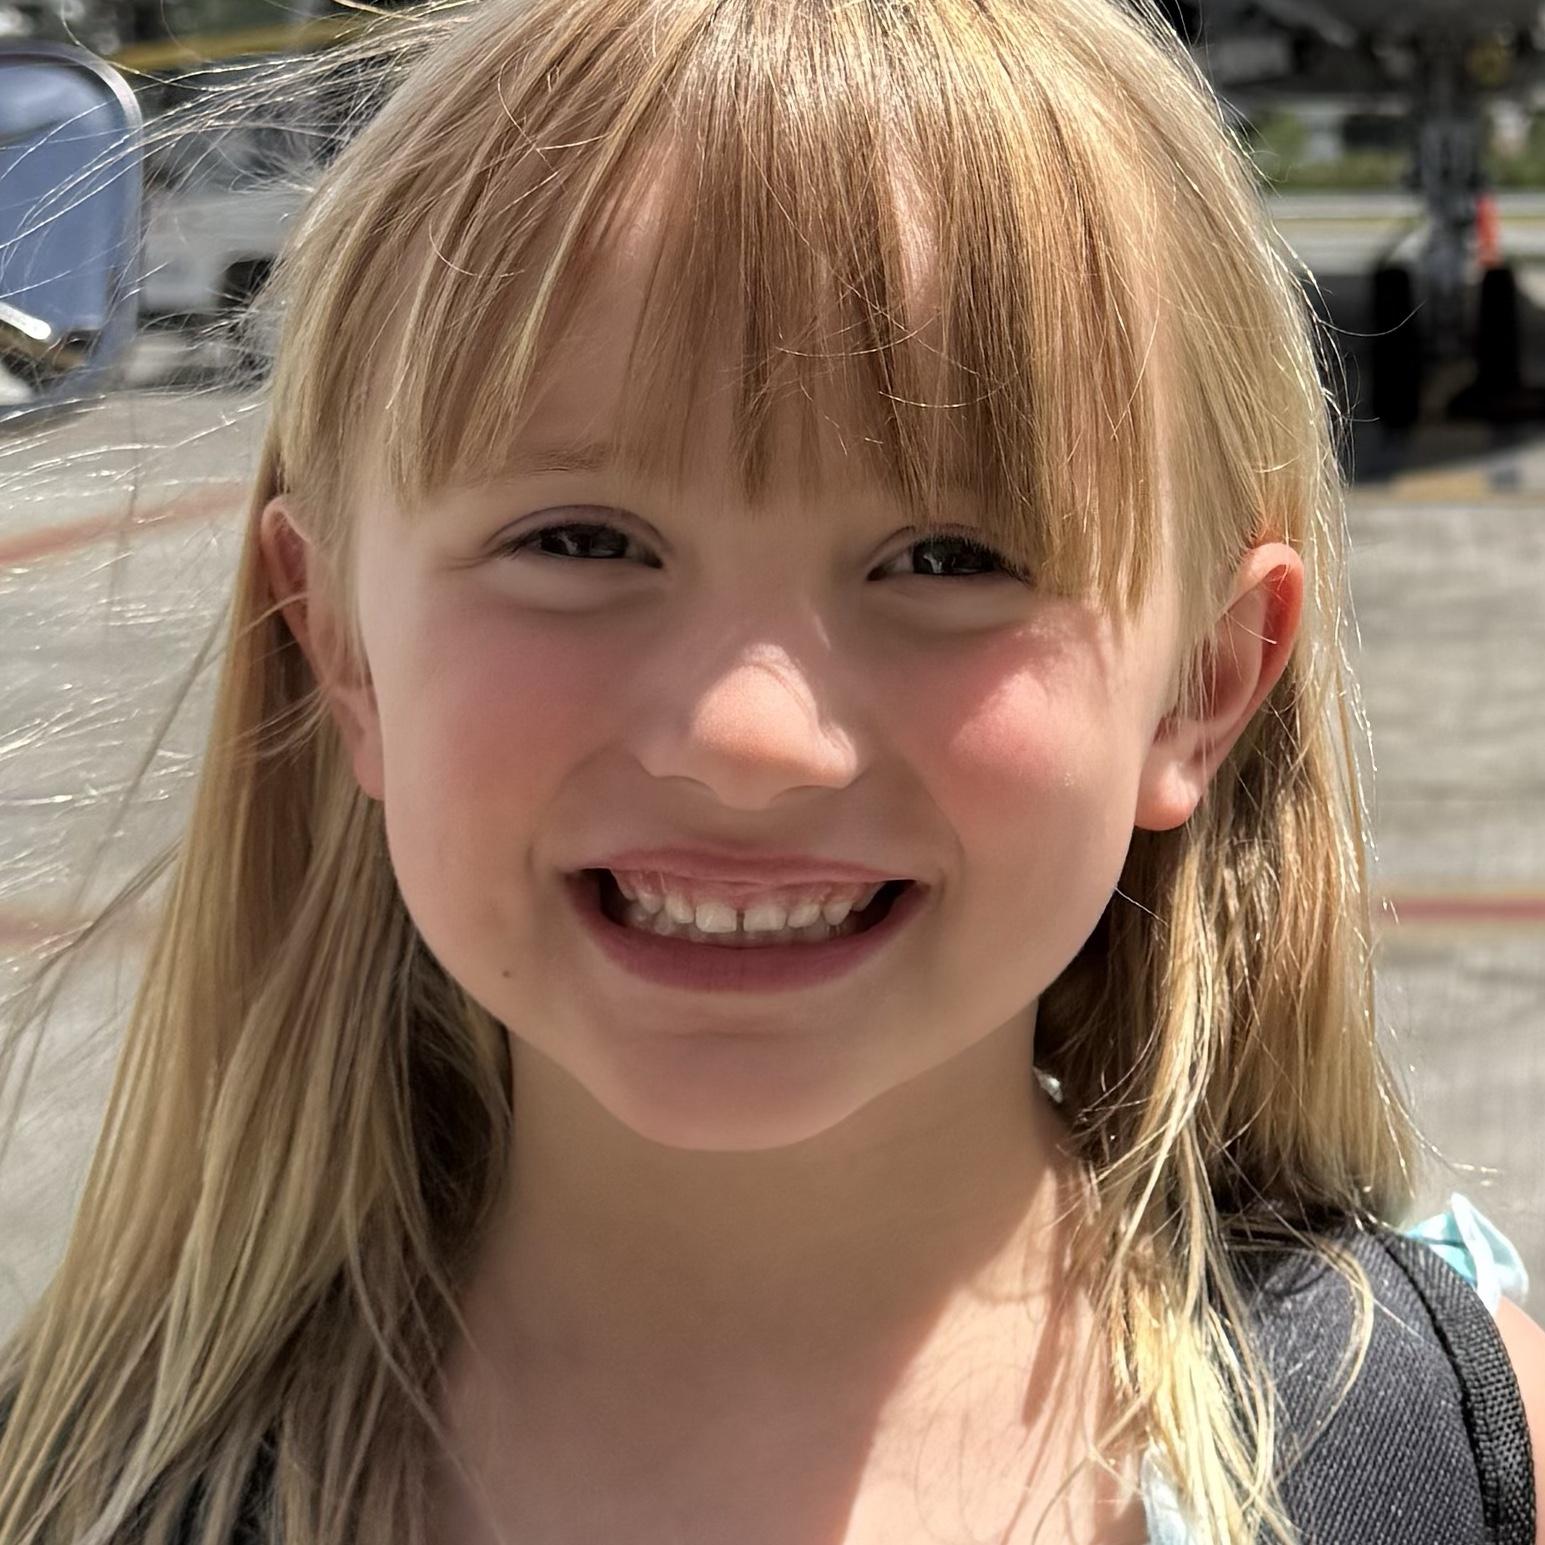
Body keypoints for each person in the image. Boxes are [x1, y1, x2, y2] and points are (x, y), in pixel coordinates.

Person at [1, 0, 1542, 1541]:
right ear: (338, 642)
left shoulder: (1444, 1461)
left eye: (948, 559)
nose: (745, 738)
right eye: (578, 540)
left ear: (1199, 685)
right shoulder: (75, 1497)